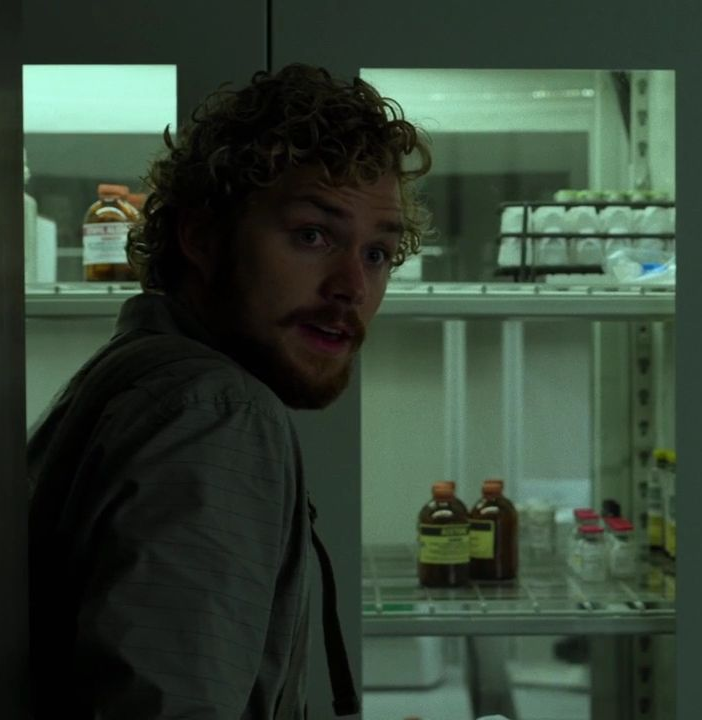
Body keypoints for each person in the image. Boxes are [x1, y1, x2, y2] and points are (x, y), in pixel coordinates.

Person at [26, 64, 432, 719]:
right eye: (312, 235)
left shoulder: (141, 376)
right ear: (203, 237)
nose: (352, 287)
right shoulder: (216, 413)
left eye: (377, 254)